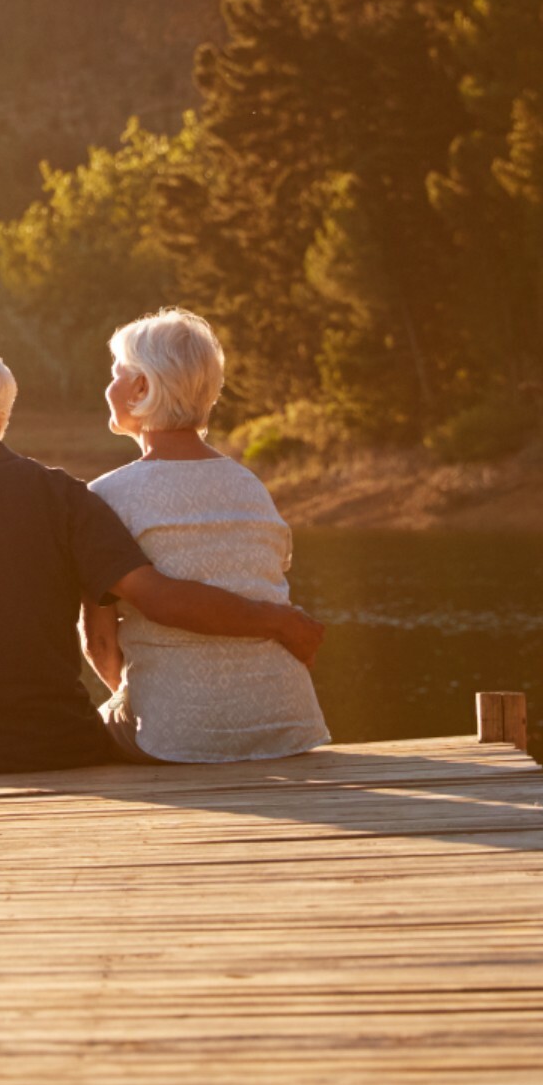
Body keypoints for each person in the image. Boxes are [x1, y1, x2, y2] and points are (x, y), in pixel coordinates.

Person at [0, 340, 323, 777]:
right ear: (0, 415)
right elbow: (147, 599)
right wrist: (277, 620)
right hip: (57, 744)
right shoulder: (66, 497)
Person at [82, 308, 330, 762]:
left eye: (117, 374)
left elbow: (99, 646)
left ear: (141, 387)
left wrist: (165, 706)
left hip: (175, 737)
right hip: (287, 725)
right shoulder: (250, 485)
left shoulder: (105, 496)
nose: (108, 387)